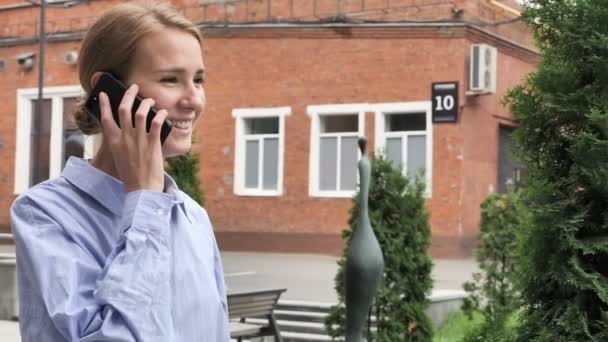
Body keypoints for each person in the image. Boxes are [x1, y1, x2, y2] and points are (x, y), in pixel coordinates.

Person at [10, 2, 229, 341]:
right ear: (108, 92)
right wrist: (144, 200)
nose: (194, 100)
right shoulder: (44, 215)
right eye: (170, 79)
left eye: (198, 79)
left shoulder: (192, 216)